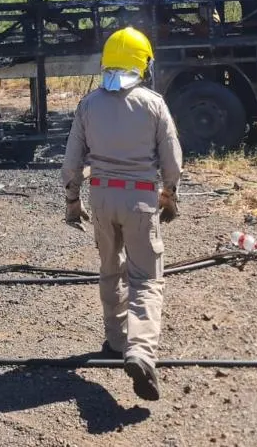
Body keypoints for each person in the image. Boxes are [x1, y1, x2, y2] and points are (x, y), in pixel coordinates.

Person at [61, 26, 182, 401]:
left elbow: (70, 162)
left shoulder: (88, 104)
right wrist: (169, 196)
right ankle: (141, 352)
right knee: (146, 278)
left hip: (100, 197)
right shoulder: (154, 103)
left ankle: (115, 341)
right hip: (141, 200)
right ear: (142, 63)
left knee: (110, 268)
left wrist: (72, 202)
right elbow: (172, 162)